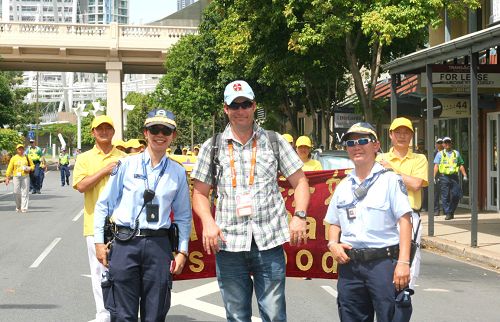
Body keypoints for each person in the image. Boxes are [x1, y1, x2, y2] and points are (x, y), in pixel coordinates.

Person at [191, 80, 310, 322]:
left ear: (254, 106)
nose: (240, 110)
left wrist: (299, 216)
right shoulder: (211, 147)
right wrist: (208, 222)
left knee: (275, 315)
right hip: (229, 243)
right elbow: (200, 194)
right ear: (225, 109)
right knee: (236, 316)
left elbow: (301, 182)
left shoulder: (274, 141)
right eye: (234, 105)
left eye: (245, 104)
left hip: (268, 242)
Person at [94, 109, 192, 322]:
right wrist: (99, 243)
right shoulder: (126, 165)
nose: (160, 134)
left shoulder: (177, 172)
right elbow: (103, 205)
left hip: (158, 245)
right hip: (125, 243)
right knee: (122, 314)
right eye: (154, 129)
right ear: (145, 133)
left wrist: (182, 251)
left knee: (155, 314)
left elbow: (184, 216)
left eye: (166, 130)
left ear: (173, 135)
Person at [325, 122, 413, 322]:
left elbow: (405, 221)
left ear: (376, 146)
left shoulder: (390, 180)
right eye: (351, 142)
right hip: (350, 266)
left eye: (363, 141)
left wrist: (404, 263)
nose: (357, 146)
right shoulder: (343, 186)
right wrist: (333, 244)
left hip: (383, 265)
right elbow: (334, 222)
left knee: (392, 317)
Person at [73, 115, 126, 322]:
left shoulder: (123, 157)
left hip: (123, 225)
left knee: (123, 270)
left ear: (113, 132)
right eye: (99, 129)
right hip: (95, 225)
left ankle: (122, 311)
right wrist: (105, 170)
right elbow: (81, 186)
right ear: (93, 132)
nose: (104, 132)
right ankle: (103, 314)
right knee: (98, 271)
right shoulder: (84, 158)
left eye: (108, 128)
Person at [377, 117, 428, 290]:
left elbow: (416, 184)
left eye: (406, 132)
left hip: (410, 216)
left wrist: (392, 170)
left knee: (409, 260)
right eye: (398, 132)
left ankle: (404, 295)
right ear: (390, 135)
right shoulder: (380, 158)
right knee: (382, 258)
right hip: (383, 215)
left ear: (412, 136)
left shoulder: (419, 159)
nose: (402, 136)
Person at [433, 136, 468, 220]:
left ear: (451, 143)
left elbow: (461, 165)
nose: (447, 144)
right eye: (445, 142)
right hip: (444, 177)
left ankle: (450, 211)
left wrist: (465, 175)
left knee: (457, 194)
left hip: (454, 176)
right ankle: (449, 213)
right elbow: (436, 166)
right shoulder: (440, 154)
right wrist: (433, 177)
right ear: (443, 144)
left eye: (449, 142)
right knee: (445, 196)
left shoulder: (456, 153)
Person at [5, 144, 34, 213]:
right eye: (19, 149)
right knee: (16, 192)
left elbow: (33, 166)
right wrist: (7, 177)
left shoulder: (27, 157)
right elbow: (9, 168)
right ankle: (18, 206)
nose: (20, 150)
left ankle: (24, 208)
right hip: (16, 177)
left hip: (25, 176)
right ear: (17, 150)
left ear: (23, 149)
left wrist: (29, 168)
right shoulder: (14, 158)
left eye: (22, 149)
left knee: (25, 192)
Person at [433, 138, 444, 215]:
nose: (440, 144)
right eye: (438, 143)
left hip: (444, 175)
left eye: (441, 143)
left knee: (445, 193)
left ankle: (446, 210)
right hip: (436, 176)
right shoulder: (433, 153)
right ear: (436, 144)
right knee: (436, 194)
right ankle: (436, 210)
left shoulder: (446, 153)